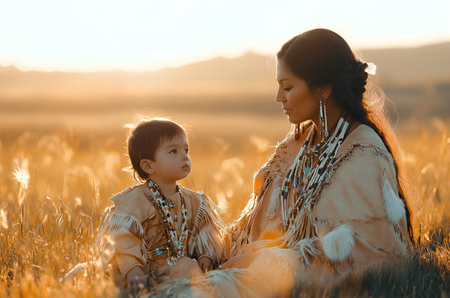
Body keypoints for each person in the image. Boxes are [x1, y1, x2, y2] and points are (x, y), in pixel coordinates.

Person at [151, 28, 414, 297]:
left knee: (201, 290)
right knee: (165, 267)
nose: (279, 98)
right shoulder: (299, 143)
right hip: (273, 265)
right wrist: (209, 251)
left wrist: (260, 261)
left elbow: (362, 250)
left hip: (310, 275)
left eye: (287, 87)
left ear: (323, 89)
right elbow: (256, 229)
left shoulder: (362, 151)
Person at [95, 118, 226, 296]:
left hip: (182, 270)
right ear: (148, 165)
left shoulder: (194, 201)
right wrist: (133, 268)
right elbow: (124, 239)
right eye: (173, 151)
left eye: (186, 150)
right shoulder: (134, 201)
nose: (184, 156)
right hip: (145, 273)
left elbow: (203, 234)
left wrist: (206, 256)